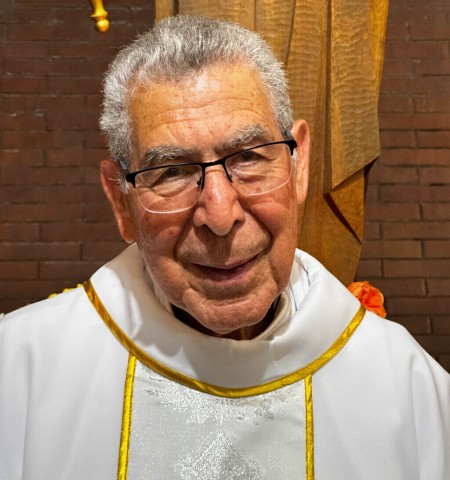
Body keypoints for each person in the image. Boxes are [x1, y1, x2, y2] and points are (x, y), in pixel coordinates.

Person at [0, 15, 448, 480]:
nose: (219, 214)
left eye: (249, 157)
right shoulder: (21, 375)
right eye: (171, 171)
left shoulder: (404, 387)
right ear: (121, 200)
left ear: (299, 165)